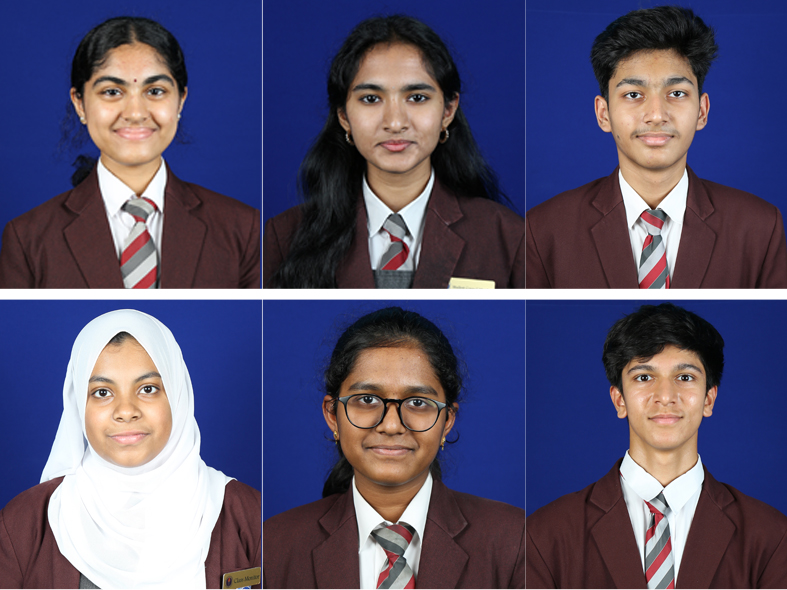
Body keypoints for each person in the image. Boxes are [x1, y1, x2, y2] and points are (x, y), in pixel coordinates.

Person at [526, 303, 787, 588]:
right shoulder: (545, 534)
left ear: (708, 400)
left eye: (685, 377)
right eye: (644, 377)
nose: (665, 396)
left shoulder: (771, 536)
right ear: (619, 400)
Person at [525, 6, 787, 288]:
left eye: (676, 93)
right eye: (633, 94)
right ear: (604, 114)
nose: (656, 114)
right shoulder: (543, 229)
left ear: (702, 111)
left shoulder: (759, 227)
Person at [263, 307, 525, 588]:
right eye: (366, 400)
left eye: (417, 403)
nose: (391, 426)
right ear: (332, 414)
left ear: (447, 420)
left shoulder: (515, 539)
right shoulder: (272, 545)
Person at [0, 309, 261, 588]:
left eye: (147, 389)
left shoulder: (247, 515)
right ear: (78, 404)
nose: (125, 411)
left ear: (177, 396)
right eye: (102, 392)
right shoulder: (23, 524)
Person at [263, 15, 526, 289]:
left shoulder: (507, 236)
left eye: (417, 98)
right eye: (371, 99)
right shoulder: (285, 235)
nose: (395, 123)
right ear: (343, 115)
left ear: (448, 111)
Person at [0, 16, 260, 289]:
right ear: (79, 104)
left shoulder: (242, 228)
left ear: (181, 100)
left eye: (155, 91)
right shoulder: (27, 239)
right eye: (112, 91)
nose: (135, 113)